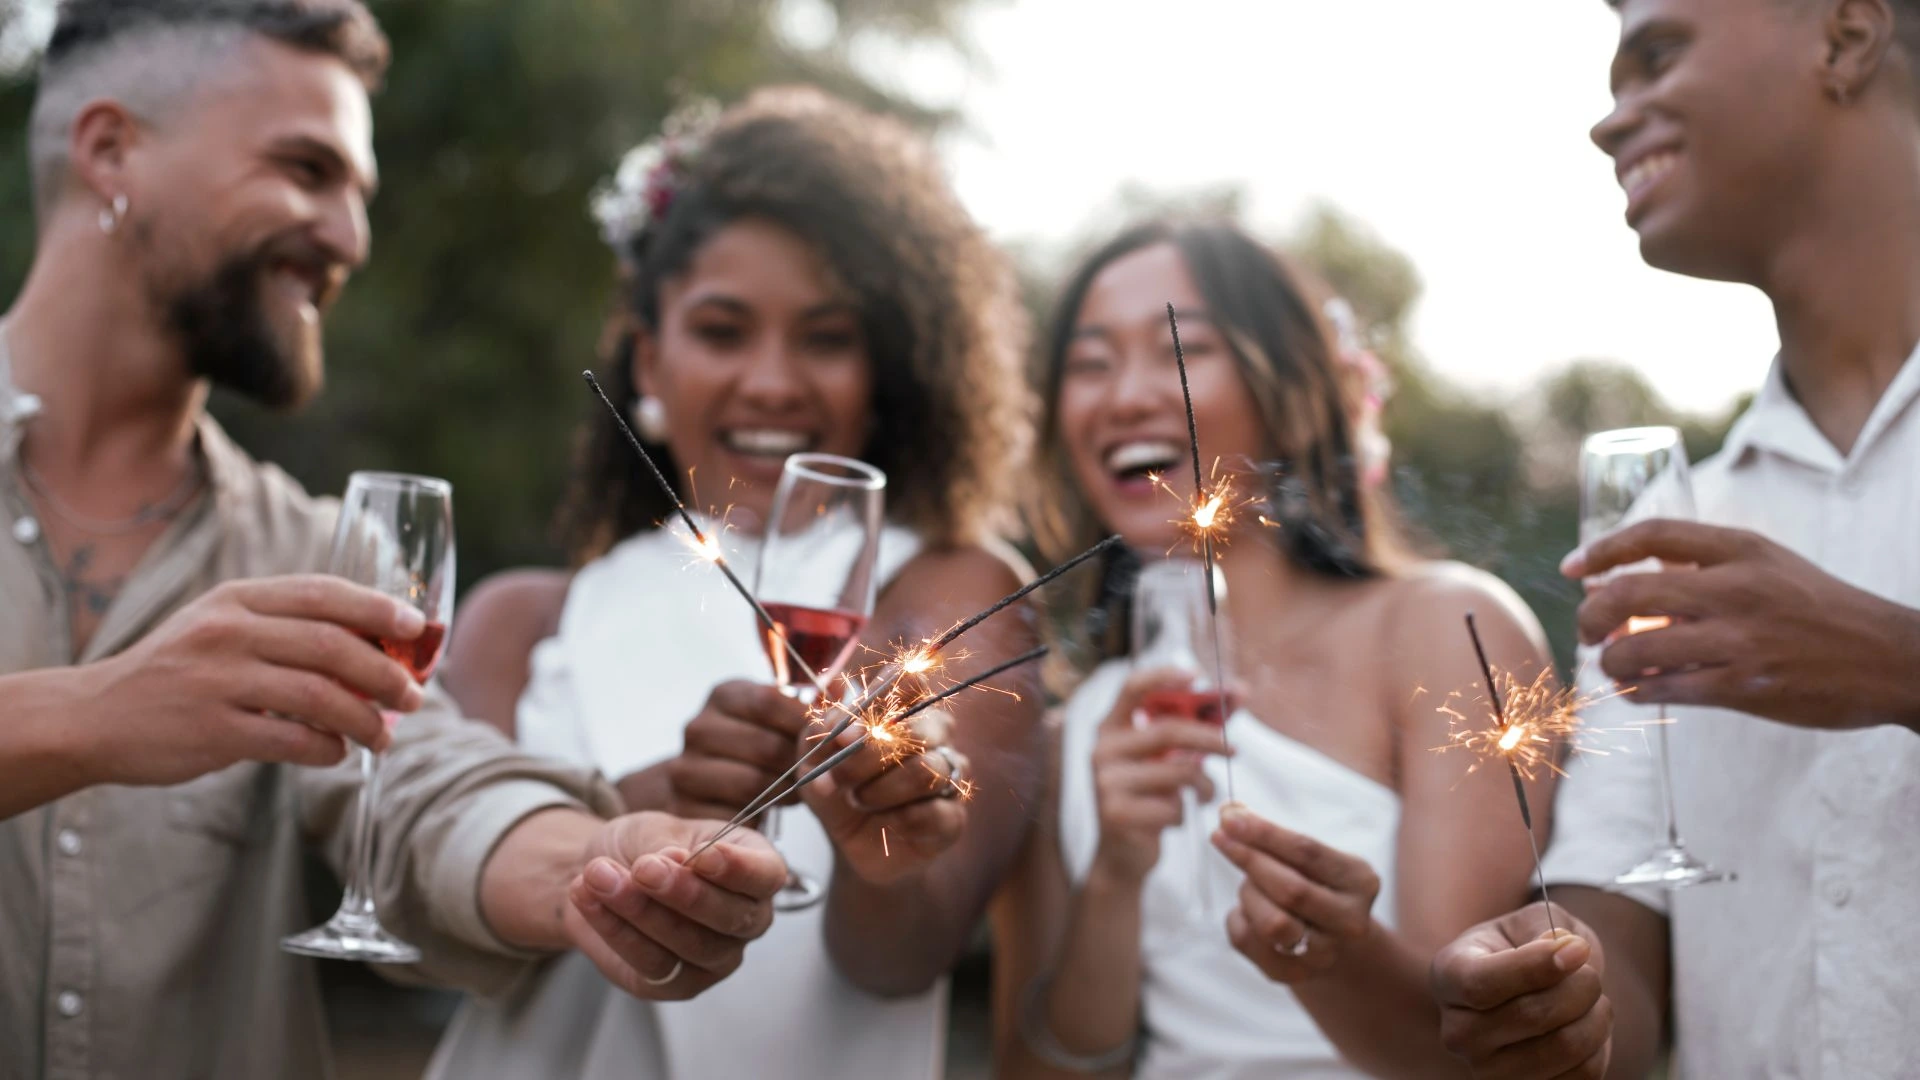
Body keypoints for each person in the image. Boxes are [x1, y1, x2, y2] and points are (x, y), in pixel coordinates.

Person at [0, 4, 787, 1078]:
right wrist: (92, 714)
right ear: (110, 150)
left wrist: (587, 864)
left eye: (358, 194)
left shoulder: (318, 547)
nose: (349, 238)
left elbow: (426, 789)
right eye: (306, 169)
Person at [426, 87, 1042, 1080]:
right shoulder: (521, 620)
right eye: (722, 330)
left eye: (826, 338)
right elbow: (433, 933)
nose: (772, 380)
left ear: (885, 372)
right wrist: (664, 794)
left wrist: (877, 843)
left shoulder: (954, 595)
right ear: (649, 362)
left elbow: (905, 962)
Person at [1430, 1, 1920, 1077]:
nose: (1611, 125)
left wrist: (1899, 665)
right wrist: (1553, 994)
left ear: (1845, 36)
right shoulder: (1676, 534)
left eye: (1656, 57)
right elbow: (1628, 941)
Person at [989, 219, 1560, 1079]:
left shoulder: (1449, 632)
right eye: (1091, 362)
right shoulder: (1078, 731)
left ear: (1291, 384)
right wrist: (1114, 876)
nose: (1128, 395)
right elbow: (1037, 1070)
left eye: (1182, 348)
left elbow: (1472, 1049)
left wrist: (1337, 947)